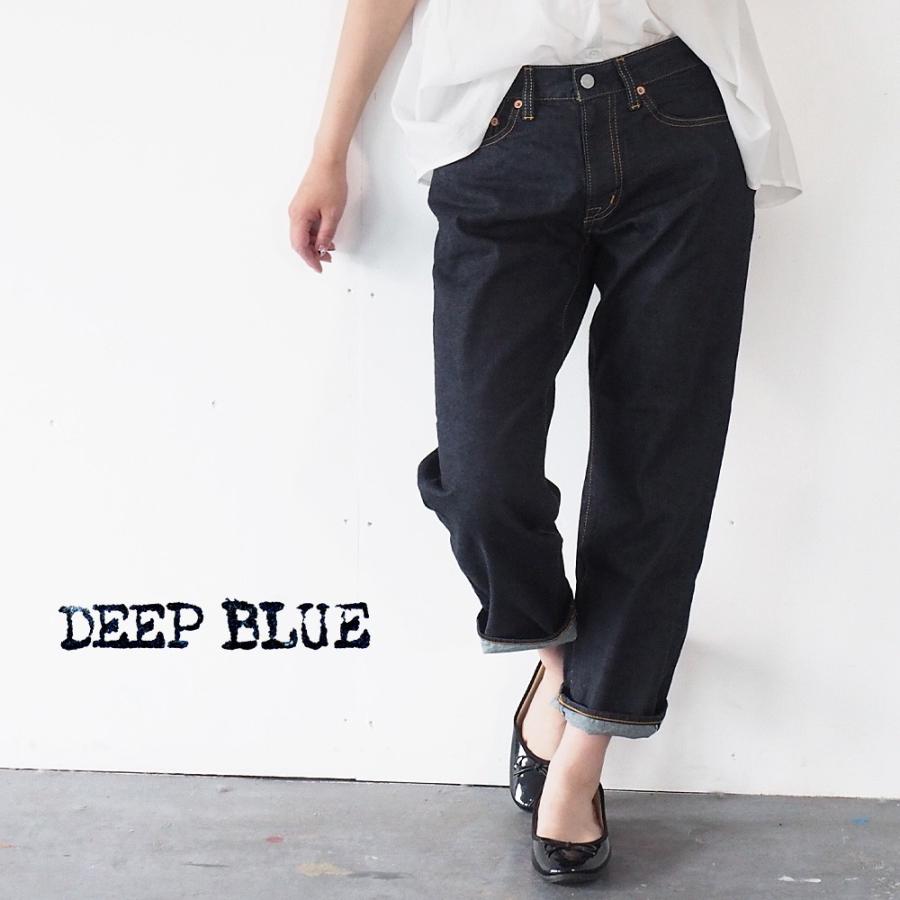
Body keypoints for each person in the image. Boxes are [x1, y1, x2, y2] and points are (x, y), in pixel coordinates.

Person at [289, 0, 801, 885]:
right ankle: (562, 669)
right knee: (482, 474)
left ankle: (580, 762)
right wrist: (328, 151)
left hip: (677, 112)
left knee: (660, 471)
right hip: (500, 132)